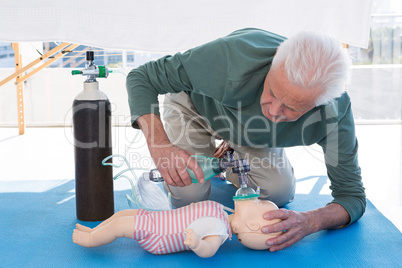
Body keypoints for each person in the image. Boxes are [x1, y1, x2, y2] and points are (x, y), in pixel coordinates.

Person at [125, 28, 366, 252]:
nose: (272, 111)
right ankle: (225, 152)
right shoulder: (230, 57)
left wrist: (311, 221)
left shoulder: (335, 113)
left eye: (291, 108)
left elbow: (352, 196)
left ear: (319, 105)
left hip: (251, 133)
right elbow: (142, 77)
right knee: (187, 197)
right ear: (274, 63)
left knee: (277, 193)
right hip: (195, 108)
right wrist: (161, 144)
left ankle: (230, 154)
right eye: (271, 90)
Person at [72, 199, 282, 258]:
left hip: (159, 235)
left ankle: (91, 240)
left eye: (258, 203)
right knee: (121, 216)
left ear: (252, 225)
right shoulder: (222, 211)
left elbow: (209, 251)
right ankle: (94, 231)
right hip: (159, 219)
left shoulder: (220, 228)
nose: (255, 198)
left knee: (119, 226)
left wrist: (197, 244)